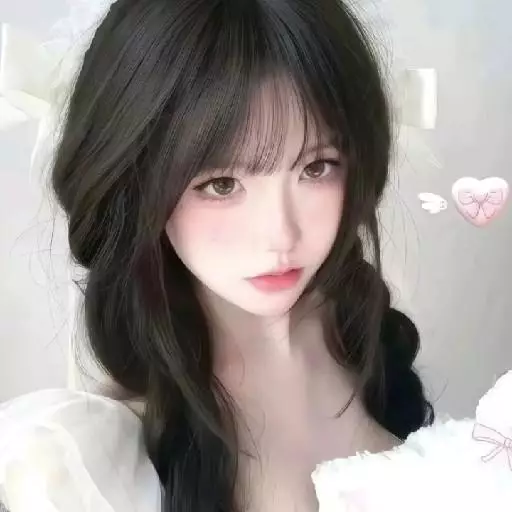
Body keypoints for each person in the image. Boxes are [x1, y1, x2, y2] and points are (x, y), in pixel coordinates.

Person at [0, 0, 434, 510]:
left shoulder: (373, 365)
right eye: (222, 184)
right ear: (135, 180)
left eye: (316, 167)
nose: (280, 235)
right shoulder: (83, 466)